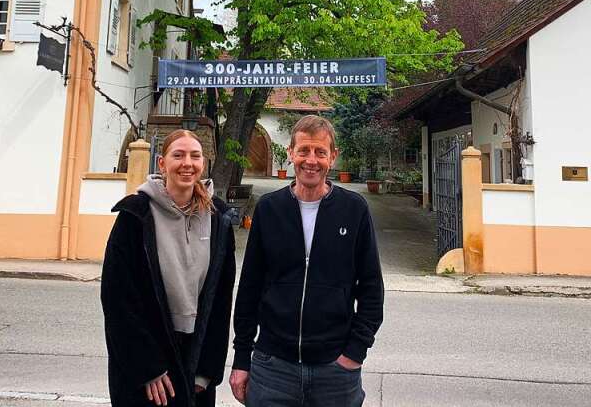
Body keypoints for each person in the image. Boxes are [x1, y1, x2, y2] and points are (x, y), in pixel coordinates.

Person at [230, 115, 384, 406]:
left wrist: (354, 354)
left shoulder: (354, 210)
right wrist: (241, 358)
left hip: (335, 372)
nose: (311, 160)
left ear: (333, 157)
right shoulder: (269, 209)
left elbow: (372, 288)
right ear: (290, 153)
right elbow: (249, 287)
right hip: (273, 366)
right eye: (303, 151)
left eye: (320, 152)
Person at [102, 130, 236, 407]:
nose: (187, 163)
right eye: (178, 155)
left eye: (195, 156)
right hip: (149, 360)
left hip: (195, 355)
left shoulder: (218, 219)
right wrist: (147, 367)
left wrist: (207, 369)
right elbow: (118, 299)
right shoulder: (135, 216)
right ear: (162, 163)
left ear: (203, 163)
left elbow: (221, 300)